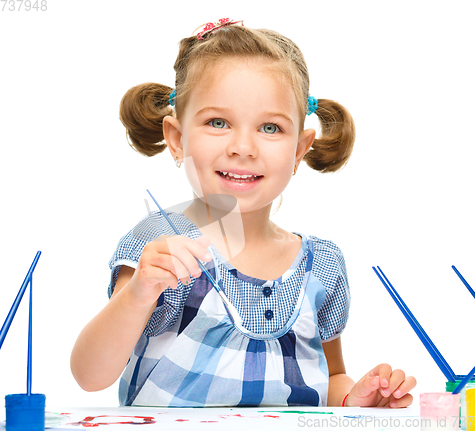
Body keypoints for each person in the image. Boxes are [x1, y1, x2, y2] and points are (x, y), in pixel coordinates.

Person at [71, 18, 416, 408]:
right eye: (218, 122)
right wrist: (138, 293)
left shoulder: (322, 266)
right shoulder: (161, 246)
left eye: (270, 128)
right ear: (177, 138)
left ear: (300, 149)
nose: (244, 147)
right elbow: (90, 375)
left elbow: (331, 377)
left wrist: (355, 399)